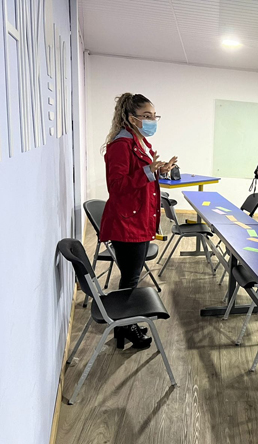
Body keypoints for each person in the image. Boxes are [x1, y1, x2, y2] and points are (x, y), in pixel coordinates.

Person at [100, 93, 177, 350]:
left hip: (139, 218)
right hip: (127, 222)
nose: (152, 120)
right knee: (130, 279)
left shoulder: (140, 142)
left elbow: (141, 175)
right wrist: (148, 171)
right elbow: (117, 186)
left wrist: (159, 170)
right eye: (146, 116)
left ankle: (124, 325)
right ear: (131, 118)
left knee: (132, 277)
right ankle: (124, 326)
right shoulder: (120, 145)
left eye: (154, 116)